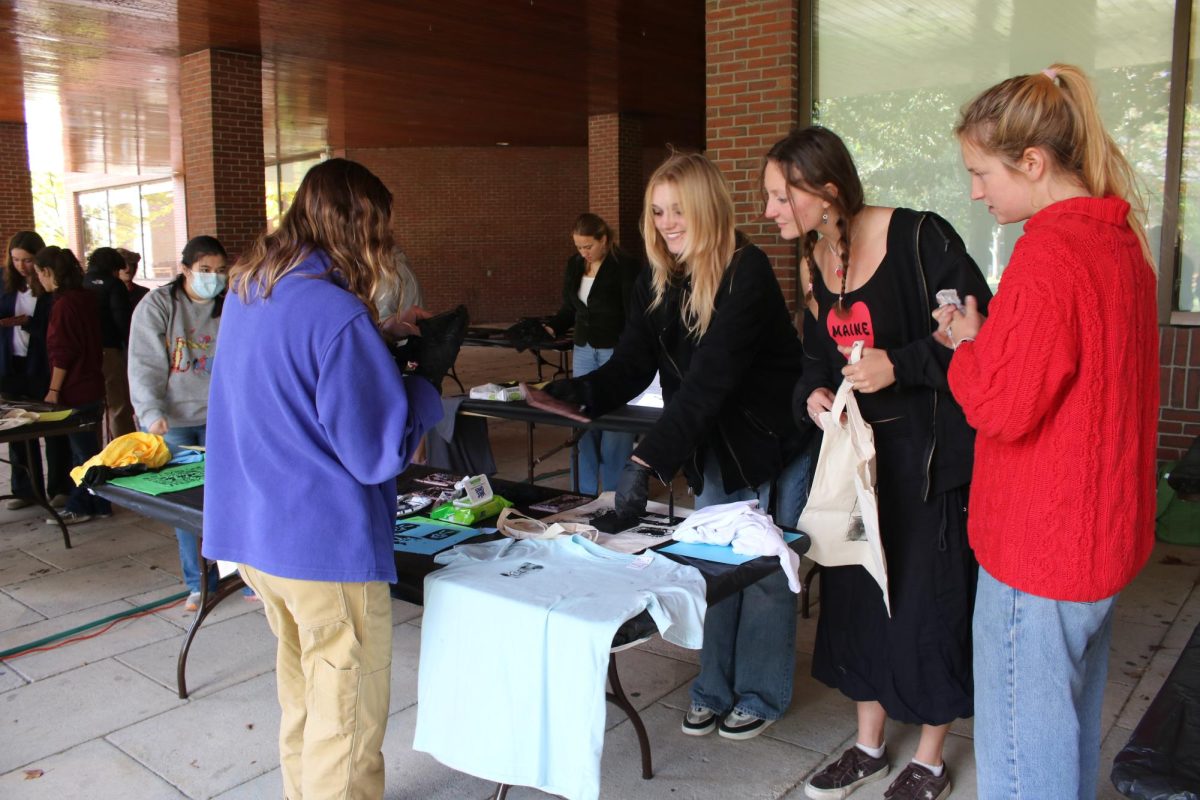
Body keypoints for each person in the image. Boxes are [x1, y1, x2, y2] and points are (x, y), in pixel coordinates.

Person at [526, 151, 813, 741]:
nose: (666, 222)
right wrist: (576, 393)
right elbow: (632, 365)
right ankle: (713, 686)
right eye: (657, 211)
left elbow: (711, 377)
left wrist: (647, 459)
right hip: (715, 442)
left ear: (707, 206)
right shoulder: (656, 280)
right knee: (713, 566)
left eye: (678, 209)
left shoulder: (746, 271)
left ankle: (757, 693)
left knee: (761, 568)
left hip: (773, 442)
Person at [939, 64, 1158, 800]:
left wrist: (966, 351)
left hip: (1038, 552)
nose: (976, 190)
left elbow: (1000, 406)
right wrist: (990, 336)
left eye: (981, 172)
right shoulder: (1121, 242)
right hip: (1101, 545)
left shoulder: (1048, 252)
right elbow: (1077, 373)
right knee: (1063, 738)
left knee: (1020, 766)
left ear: (1032, 163)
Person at [201, 158, 442, 800]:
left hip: (257, 537)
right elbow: (376, 453)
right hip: (324, 548)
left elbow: (292, 375)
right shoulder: (335, 313)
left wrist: (373, 339)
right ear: (358, 226)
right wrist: (422, 386)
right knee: (348, 720)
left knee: (306, 699)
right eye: (380, 231)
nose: (385, 246)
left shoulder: (254, 289)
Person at [763, 127, 991, 800]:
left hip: (926, 464)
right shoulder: (811, 261)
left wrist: (904, 363)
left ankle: (928, 758)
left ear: (825, 190)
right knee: (859, 602)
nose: (771, 211)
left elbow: (976, 326)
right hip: (857, 468)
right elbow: (811, 359)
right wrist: (812, 394)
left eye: (781, 197)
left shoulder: (921, 238)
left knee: (927, 607)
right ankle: (867, 745)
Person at [127, 235, 229, 612]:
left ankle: (244, 573)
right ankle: (200, 582)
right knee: (187, 504)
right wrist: (150, 412)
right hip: (176, 419)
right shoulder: (158, 305)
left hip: (221, 415)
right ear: (185, 269)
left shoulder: (230, 304)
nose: (213, 278)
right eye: (204, 270)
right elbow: (144, 363)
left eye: (220, 271)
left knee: (231, 494)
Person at [543, 213, 641, 493]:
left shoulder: (625, 267)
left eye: (588, 246)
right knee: (581, 414)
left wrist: (630, 350)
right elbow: (570, 308)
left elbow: (634, 313)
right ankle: (583, 491)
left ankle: (613, 492)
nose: (583, 253)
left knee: (614, 420)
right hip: (584, 348)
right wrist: (552, 327)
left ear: (605, 240)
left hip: (614, 349)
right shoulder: (575, 265)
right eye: (578, 247)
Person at [32, 246, 112, 525]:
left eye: (38, 274)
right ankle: (101, 502)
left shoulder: (64, 304)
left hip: (75, 389)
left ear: (46, 272)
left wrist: (53, 390)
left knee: (83, 453)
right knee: (91, 449)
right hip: (92, 383)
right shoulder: (85, 298)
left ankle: (82, 504)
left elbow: (62, 352)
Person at [0, 231, 72, 510]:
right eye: (15, 259)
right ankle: (24, 489)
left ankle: (60, 487)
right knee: (17, 429)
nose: (21, 266)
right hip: (10, 364)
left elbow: (54, 330)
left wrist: (28, 322)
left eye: (28, 260)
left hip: (41, 366)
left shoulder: (49, 288)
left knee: (52, 428)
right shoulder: (6, 284)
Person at [84, 247, 135, 438]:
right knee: (118, 404)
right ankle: (125, 447)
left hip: (86, 352)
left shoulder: (81, 282)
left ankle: (95, 450)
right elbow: (122, 319)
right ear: (113, 268)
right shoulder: (114, 285)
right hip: (109, 349)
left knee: (95, 405)